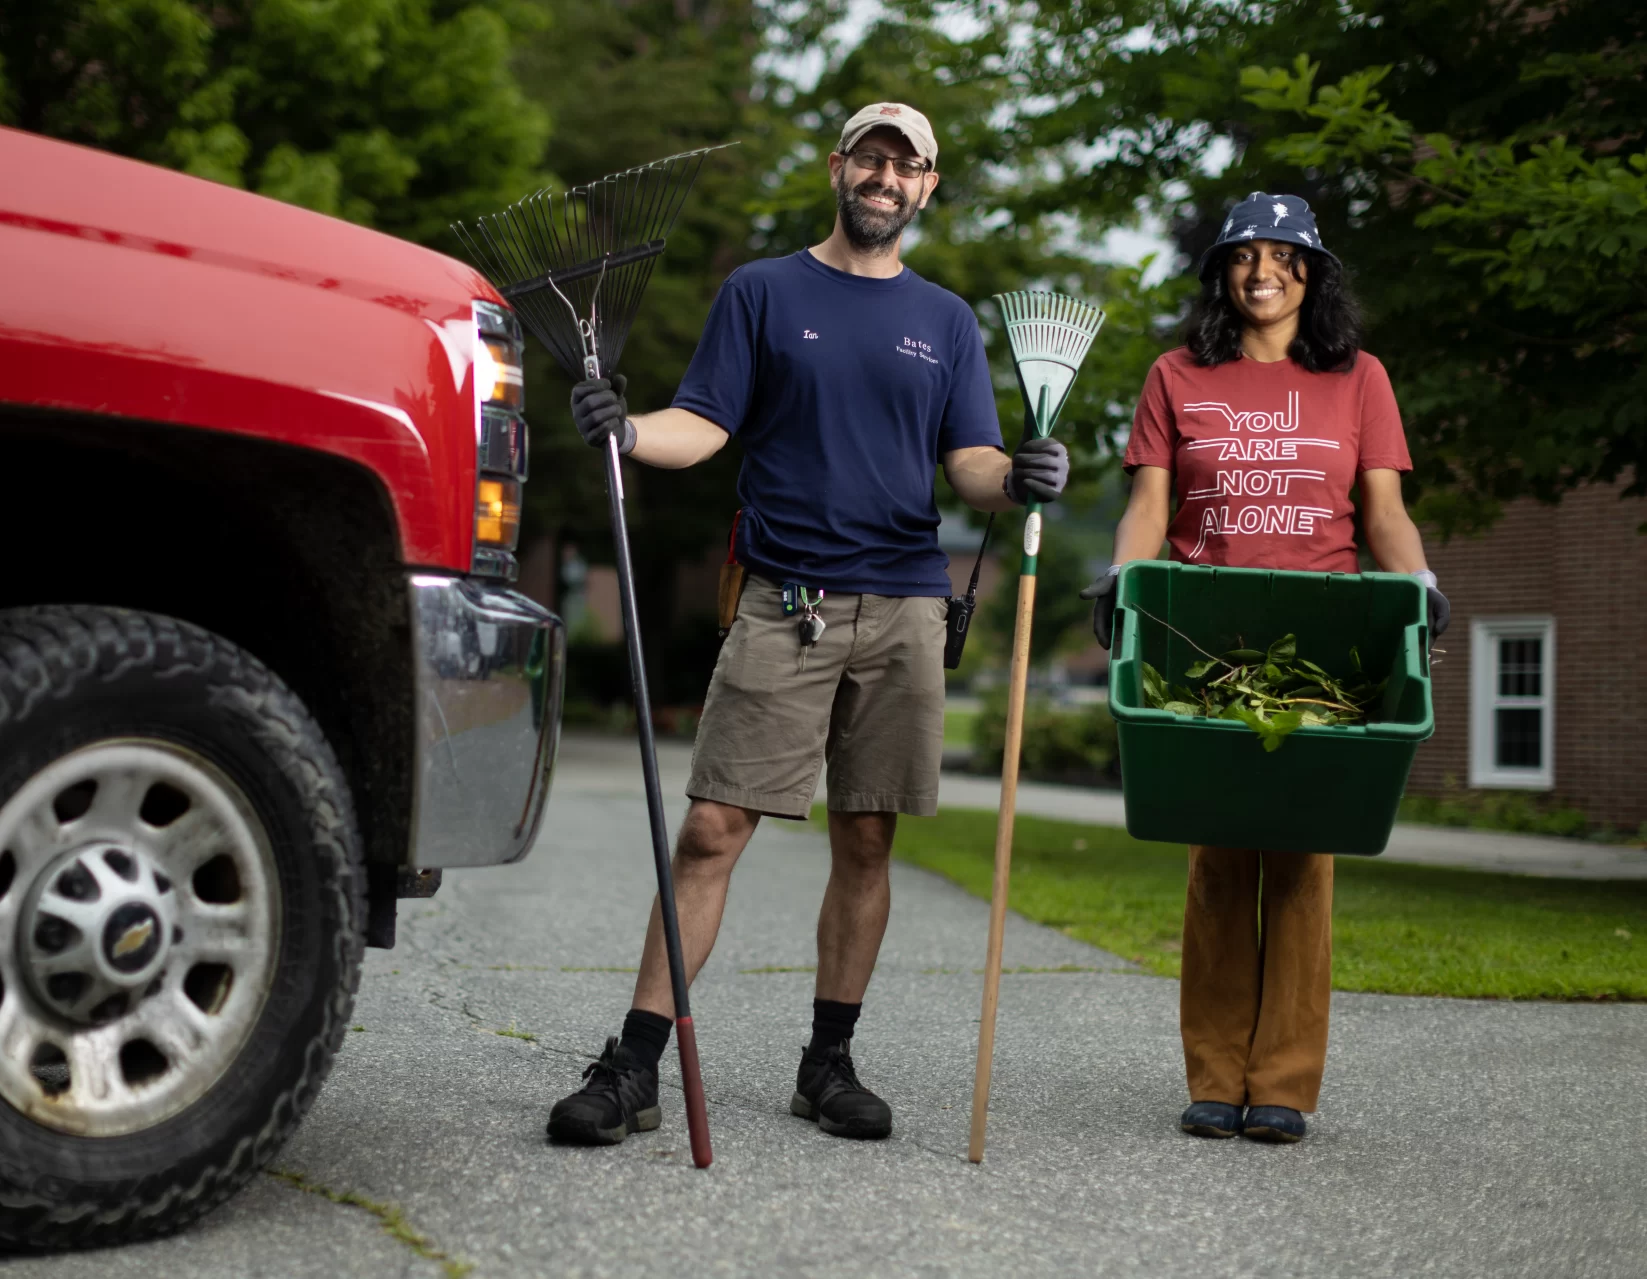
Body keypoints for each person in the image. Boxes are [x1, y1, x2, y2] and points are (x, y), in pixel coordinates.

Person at [546, 103, 1069, 1145]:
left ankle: (826, 1063)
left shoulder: (947, 321)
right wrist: (627, 426)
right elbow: (702, 426)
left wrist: (1017, 475)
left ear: (926, 187)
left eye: (905, 164)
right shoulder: (762, 292)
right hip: (790, 600)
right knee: (709, 829)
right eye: (869, 157)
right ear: (837, 168)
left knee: (866, 836)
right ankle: (636, 1065)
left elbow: (966, 466)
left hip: (908, 604)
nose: (884, 177)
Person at [1080, 192, 1451, 1144]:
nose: (1263, 272)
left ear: (1312, 273)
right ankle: (1213, 1075)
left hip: (1321, 641)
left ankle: (1281, 1083)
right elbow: (1149, 504)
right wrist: (1124, 573)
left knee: (1300, 862)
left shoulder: (1357, 378)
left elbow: (1382, 512)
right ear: (1222, 274)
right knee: (1217, 860)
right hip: (1207, 640)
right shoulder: (1177, 374)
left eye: (1285, 256)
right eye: (1245, 256)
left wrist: (1418, 579)